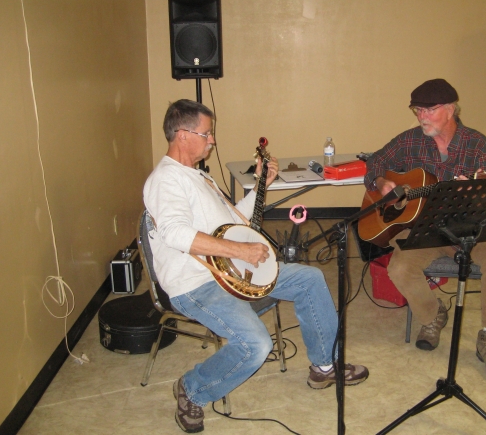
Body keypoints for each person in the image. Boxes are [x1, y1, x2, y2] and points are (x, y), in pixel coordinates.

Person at [144, 99, 368, 433]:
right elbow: (175, 233)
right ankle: (192, 389)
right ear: (182, 135)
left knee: (310, 278)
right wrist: (241, 250)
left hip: (232, 271)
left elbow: (234, 220)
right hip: (197, 284)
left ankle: (323, 366)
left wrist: (263, 182)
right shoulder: (166, 180)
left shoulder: (197, 177)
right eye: (207, 134)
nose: (212, 140)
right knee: (256, 345)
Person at [364, 79, 486, 381]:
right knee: (400, 267)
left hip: (469, 229)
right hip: (425, 229)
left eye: (429, 110)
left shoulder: (478, 146)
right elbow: (375, 162)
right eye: (417, 110)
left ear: (451, 110)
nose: (421, 117)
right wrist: (381, 183)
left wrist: (470, 195)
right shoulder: (410, 141)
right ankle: (433, 316)